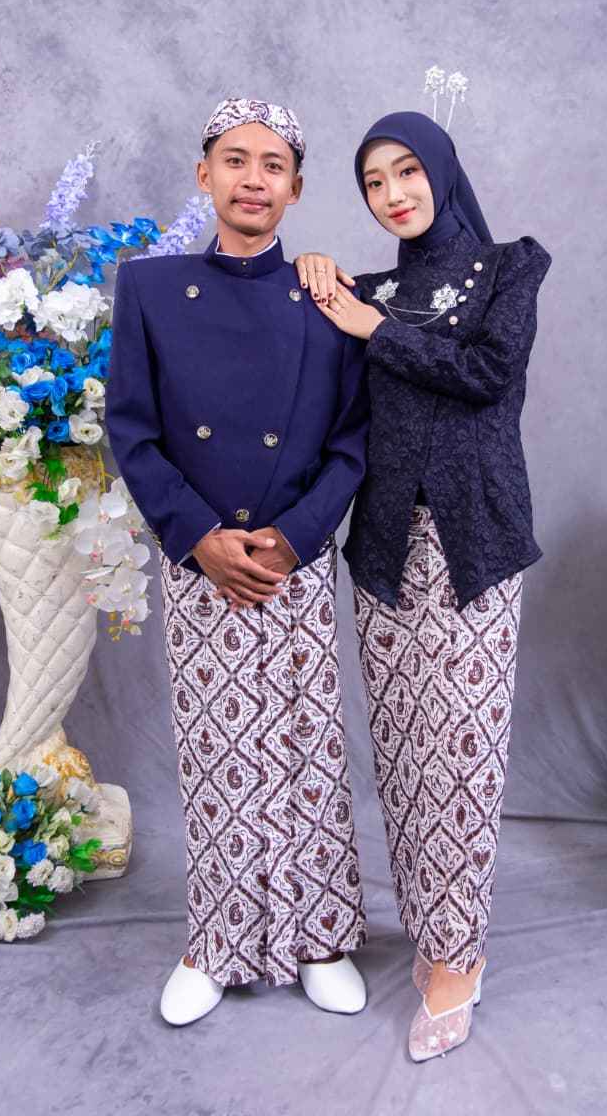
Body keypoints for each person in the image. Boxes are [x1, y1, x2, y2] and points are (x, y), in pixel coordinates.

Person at [292, 110, 551, 1061]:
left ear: (440, 172)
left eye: (407, 171)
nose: (392, 193)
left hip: (472, 541)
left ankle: (457, 955)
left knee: (461, 755)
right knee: (402, 755)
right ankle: (428, 928)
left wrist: (371, 327)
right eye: (373, 181)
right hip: (383, 553)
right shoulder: (369, 288)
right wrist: (314, 275)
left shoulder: (509, 268)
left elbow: (488, 374)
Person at [105, 97, 370, 1027]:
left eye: (273, 165)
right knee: (216, 752)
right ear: (204, 176)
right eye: (235, 160)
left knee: (306, 749)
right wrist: (197, 536)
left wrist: (294, 538)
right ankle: (214, 942)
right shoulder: (147, 287)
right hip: (201, 558)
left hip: (291, 554)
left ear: (294, 188)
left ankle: (321, 936)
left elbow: (352, 441)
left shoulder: (327, 294)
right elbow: (131, 431)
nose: (253, 179)